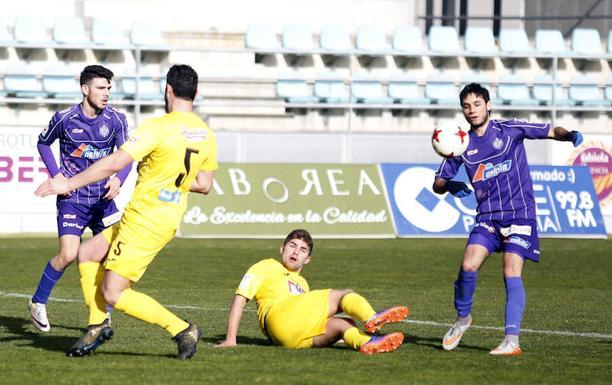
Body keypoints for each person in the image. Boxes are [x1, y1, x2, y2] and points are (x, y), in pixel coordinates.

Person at [35, 64, 217, 360]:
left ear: (168, 90)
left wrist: (67, 182)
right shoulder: (206, 134)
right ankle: (96, 325)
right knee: (87, 252)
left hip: (145, 222)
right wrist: (163, 174)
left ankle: (182, 329)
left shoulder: (158, 127)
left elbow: (112, 164)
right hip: (160, 217)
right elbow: (204, 184)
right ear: (195, 93)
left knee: (113, 293)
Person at [433, 83, 584, 356]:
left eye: (477, 104)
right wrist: (449, 186)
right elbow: (438, 182)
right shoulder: (460, 144)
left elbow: (550, 130)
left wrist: (569, 135)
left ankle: (511, 341)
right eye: (467, 106)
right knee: (468, 265)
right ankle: (462, 318)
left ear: (488, 105)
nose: (472, 110)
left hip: (520, 214)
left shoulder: (509, 129)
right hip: (488, 216)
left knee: (511, 271)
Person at [29, 65, 132, 333]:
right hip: (73, 199)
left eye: (109, 88)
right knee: (68, 254)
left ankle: (101, 313)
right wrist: (58, 177)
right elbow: (43, 143)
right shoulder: (65, 118)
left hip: (103, 200)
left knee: (113, 258)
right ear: (85, 89)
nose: (106, 93)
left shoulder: (117, 120)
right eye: (101, 88)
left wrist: (118, 178)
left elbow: (127, 156)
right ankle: (38, 302)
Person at [217, 229, 409, 355]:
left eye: (302, 250)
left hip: (289, 340)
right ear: (282, 248)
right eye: (292, 246)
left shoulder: (302, 283)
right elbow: (239, 300)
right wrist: (230, 339)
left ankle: (366, 341)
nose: (295, 252)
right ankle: (371, 316)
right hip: (276, 316)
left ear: (307, 259)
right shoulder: (266, 265)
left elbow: (306, 317)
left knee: (343, 324)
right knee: (343, 295)